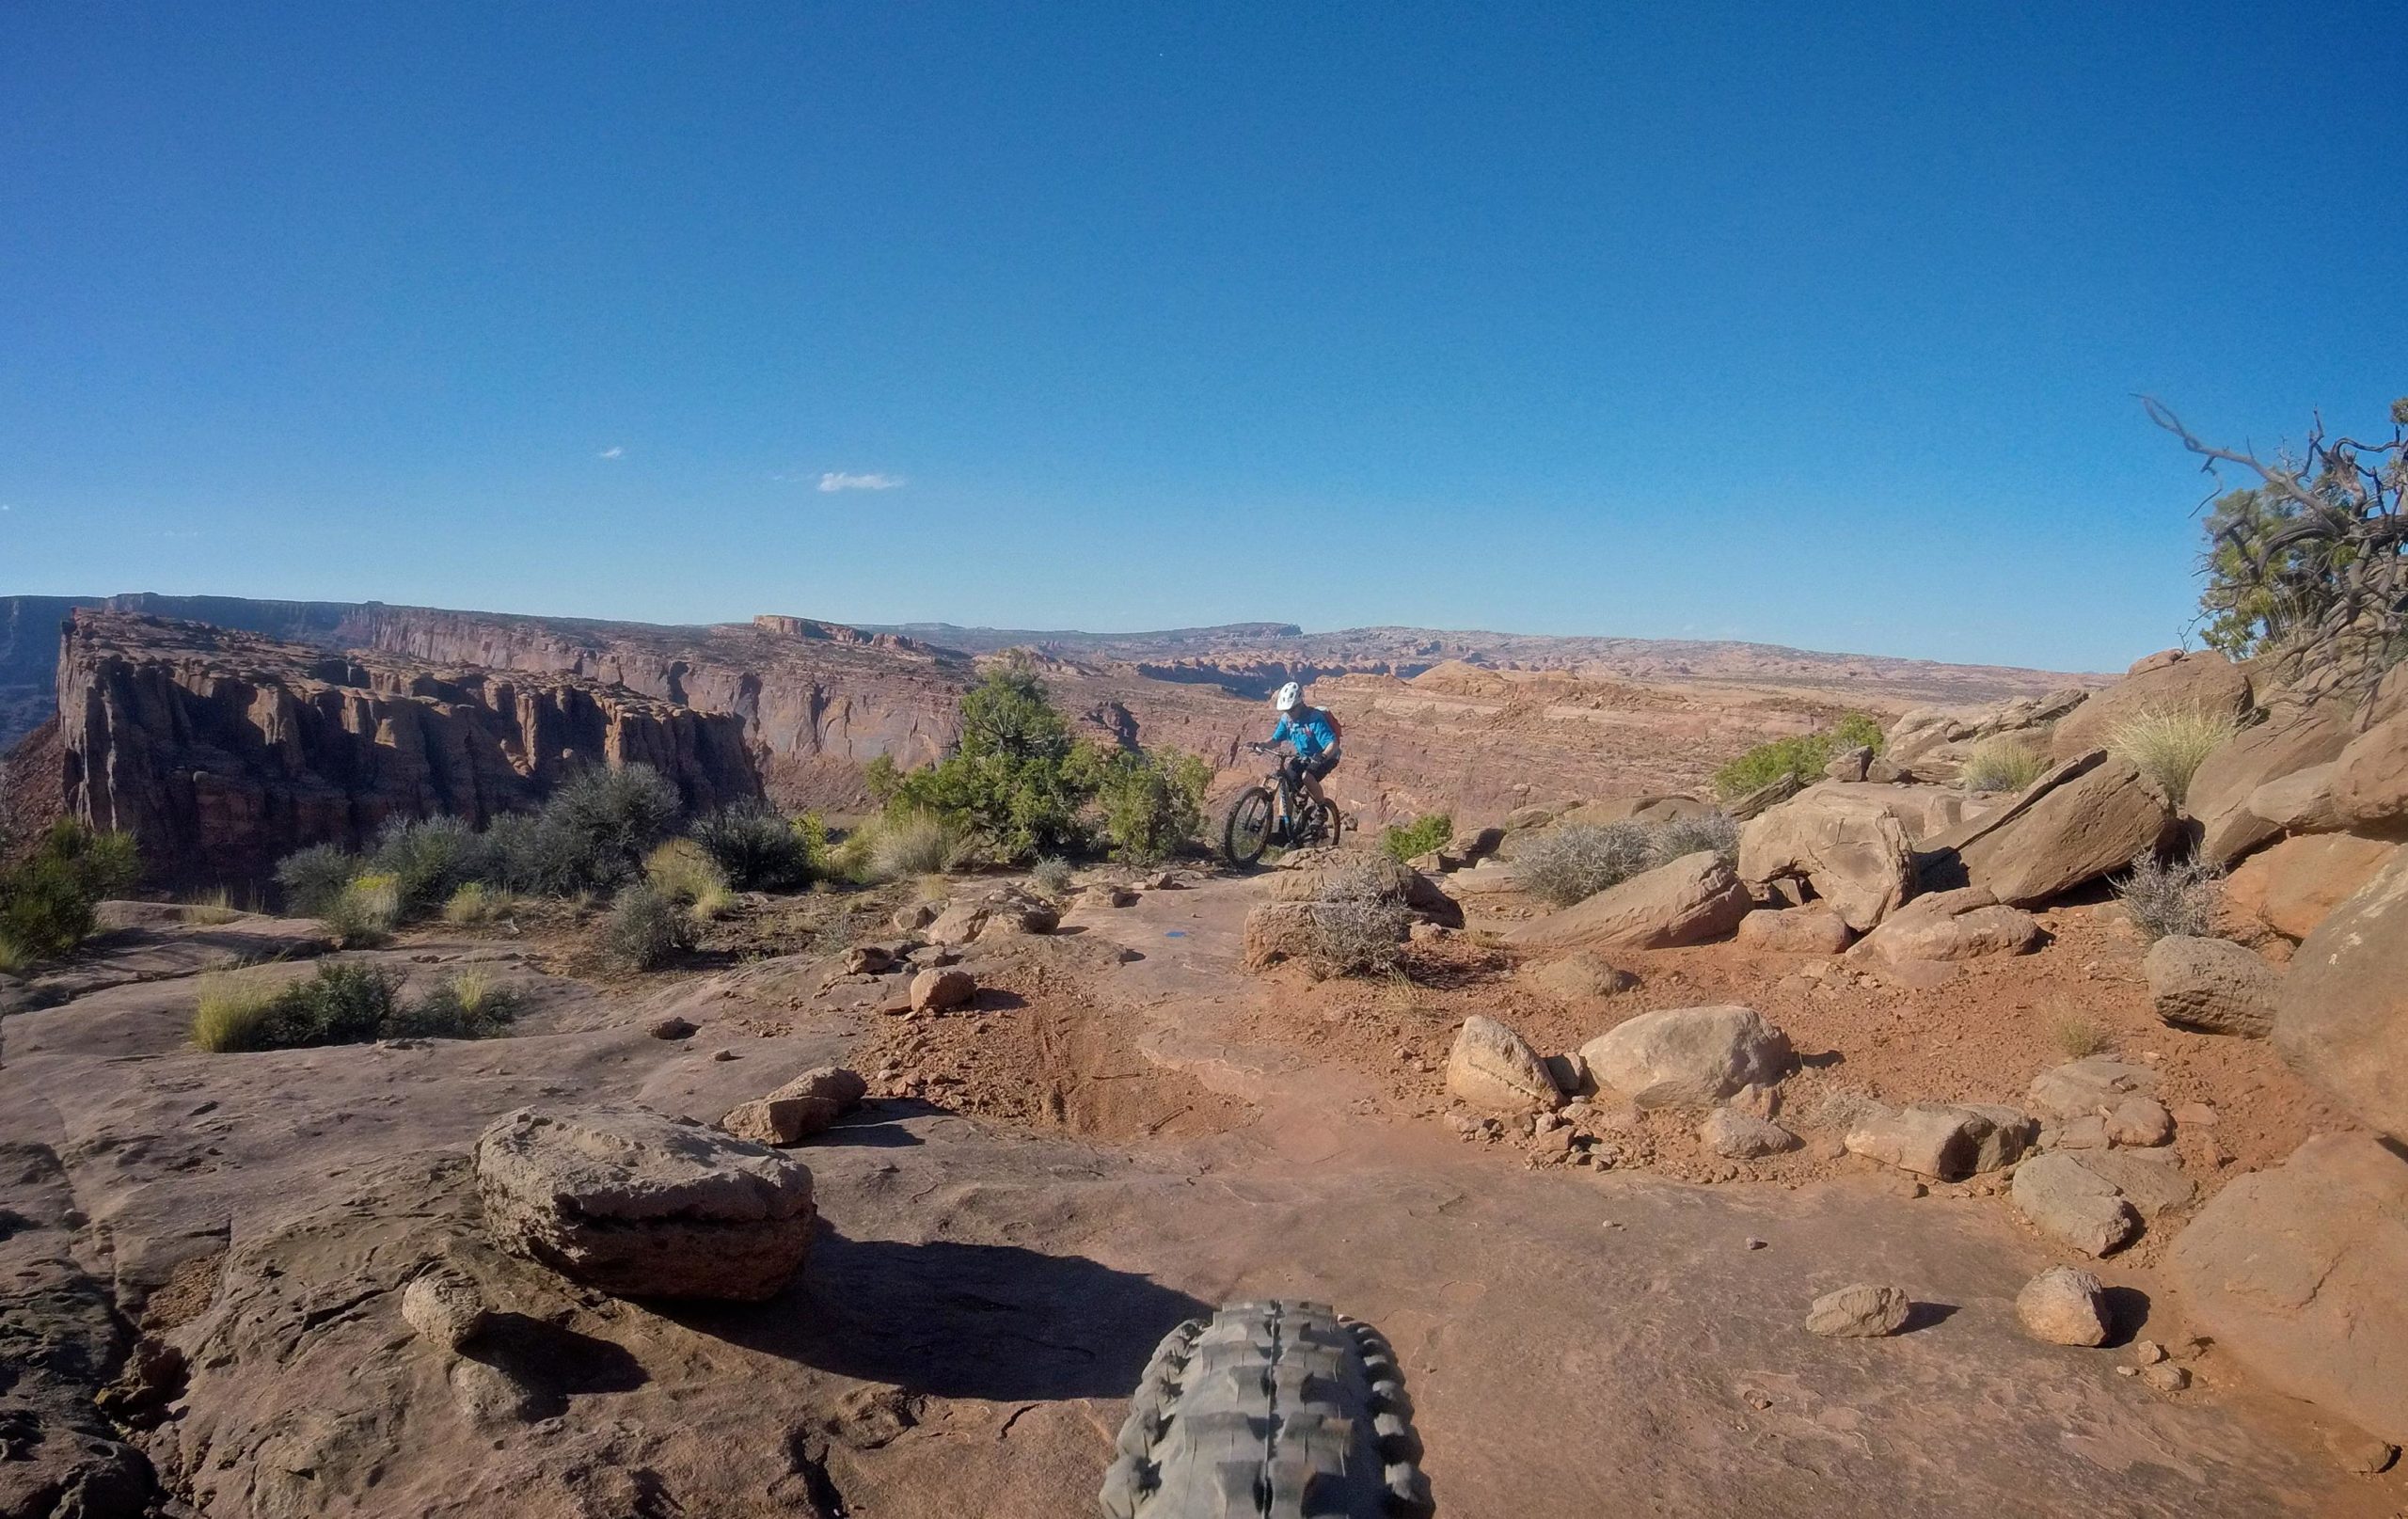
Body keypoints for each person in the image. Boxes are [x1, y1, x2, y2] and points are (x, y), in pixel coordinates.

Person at [1252, 681, 1340, 811]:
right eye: (1286, 710)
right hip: (1304, 756)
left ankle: (1321, 809)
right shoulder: (1287, 719)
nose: (1289, 713)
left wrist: (1322, 756)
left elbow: (1333, 743)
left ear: (1301, 704)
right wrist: (1262, 745)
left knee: (1307, 777)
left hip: (1327, 756)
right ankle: (1284, 826)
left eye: (1292, 709)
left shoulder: (1314, 719)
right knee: (1286, 788)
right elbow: (1276, 739)